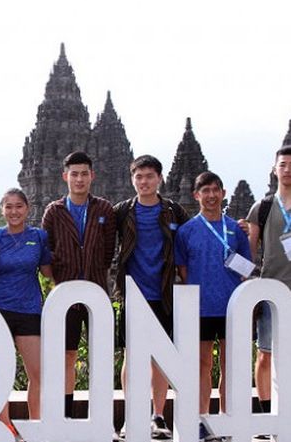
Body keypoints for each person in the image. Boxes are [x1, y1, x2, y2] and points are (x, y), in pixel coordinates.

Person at [113, 154, 188, 440]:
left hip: (165, 293)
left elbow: (192, 238)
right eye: (139, 177)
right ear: (132, 179)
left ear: (159, 179)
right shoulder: (122, 212)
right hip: (134, 293)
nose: (144, 182)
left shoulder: (173, 211)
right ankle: (133, 414)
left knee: (160, 358)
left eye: (149, 176)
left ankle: (157, 415)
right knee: (132, 357)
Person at [175, 171, 252, 442]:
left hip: (233, 305)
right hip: (200, 306)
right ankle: (201, 420)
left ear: (223, 193)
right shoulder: (186, 231)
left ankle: (228, 419)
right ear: (196, 196)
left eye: (215, 190)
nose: (210, 196)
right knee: (202, 364)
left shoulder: (236, 229)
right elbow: (182, 269)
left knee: (231, 365)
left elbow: (246, 267)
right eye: (205, 191)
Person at [41, 151, 116, 419]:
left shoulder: (104, 209)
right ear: (65, 177)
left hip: (97, 289)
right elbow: (46, 251)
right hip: (66, 293)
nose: (80, 179)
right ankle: (66, 414)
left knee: (101, 355)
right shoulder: (54, 211)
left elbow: (109, 251)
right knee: (67, 355)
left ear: (92, 176)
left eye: (85, 174)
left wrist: (94, 271)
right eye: (74, 174)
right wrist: (58, 282)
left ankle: (101, 417)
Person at [0, 188, 52, 421]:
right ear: (2, 210)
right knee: (1, 375)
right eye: (9, 207)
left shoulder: (39, 237)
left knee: (38, 373)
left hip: (29, 309)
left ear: (28, 208)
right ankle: (5, 427)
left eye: (19, 206)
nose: (14, 211)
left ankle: (36, 425)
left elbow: (48, 272)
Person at [246, 145, 291, 432]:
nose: (288, 170)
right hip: (271, 289)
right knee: (265, 353)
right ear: (274, 169)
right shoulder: (261, 208)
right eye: (283, 165)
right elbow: (249, 253)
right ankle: (264, 414)